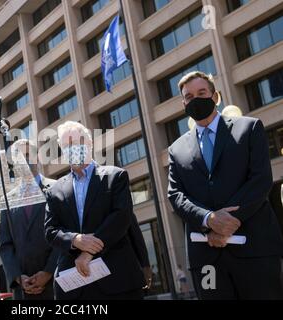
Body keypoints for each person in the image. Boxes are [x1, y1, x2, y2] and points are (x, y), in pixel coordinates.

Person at [168, 71, 283, 300]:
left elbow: (260, 180)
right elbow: (176, 195)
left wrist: (227, 222)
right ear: (184, 104)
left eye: (202, 93)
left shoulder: (249, 128)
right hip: (207, 259)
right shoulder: (176, 149)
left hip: (254, 250)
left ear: (216, 96)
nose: (196, 99)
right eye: (189, 97)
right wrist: (209, 220)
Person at [44, 121, 150, 300]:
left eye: (77, 143)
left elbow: (121, 218)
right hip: (75, 289)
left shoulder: (115, 176)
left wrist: (89, 251)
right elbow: (50, 231)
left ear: (90, 143)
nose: (73, 149)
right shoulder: (54, 190)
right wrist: (75, 240)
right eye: (67, 145)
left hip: (117, 281)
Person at [0, 139, 58, 300]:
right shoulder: (7, 199)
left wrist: (48, 272)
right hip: (23, 291)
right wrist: (18, 277)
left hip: (56, 285)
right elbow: (5, 245)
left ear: (37, 157)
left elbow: (65, 233)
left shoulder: (58, 189)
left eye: (27, 155)